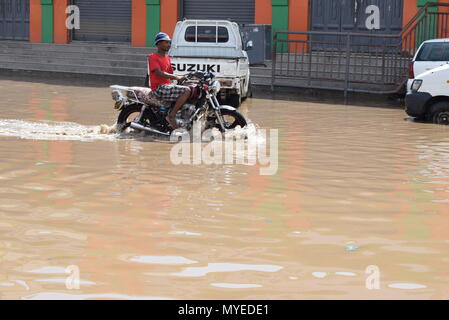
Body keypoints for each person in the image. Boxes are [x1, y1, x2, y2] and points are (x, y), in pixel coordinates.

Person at [148, 32, 191, 129]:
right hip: (159, 88)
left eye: (169, 42)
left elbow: (172, 75)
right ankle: (171, 115)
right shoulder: (152, 57)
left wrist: (183, 77)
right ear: (158, 44)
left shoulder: (167, 58)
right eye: (166, 42)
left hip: (167, 86)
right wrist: (177, 77)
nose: (168, 45)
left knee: (192, 89)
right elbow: (159, 73)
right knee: (186, 90)